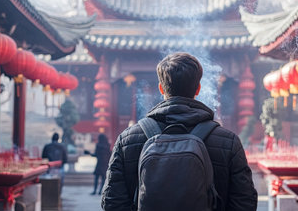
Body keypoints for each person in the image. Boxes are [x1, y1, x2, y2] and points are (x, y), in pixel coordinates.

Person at [102, 52, 257, 210]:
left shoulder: (127, 140)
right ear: (198, 89)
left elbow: (112, 201)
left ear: (161, 88)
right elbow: (244, 201)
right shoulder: (228, 141)